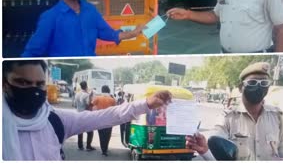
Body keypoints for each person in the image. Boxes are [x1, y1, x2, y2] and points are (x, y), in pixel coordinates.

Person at [2, 60, 172, 160]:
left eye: (39, 84)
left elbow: (105, 116)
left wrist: (146, 104)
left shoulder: (54, 120)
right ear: (4, 84)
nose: (34, 90)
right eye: (23, 83)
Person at [21, 0, 145, 57]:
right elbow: (31, 53)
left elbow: (109, 33)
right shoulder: (50, 17)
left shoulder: (90, 10)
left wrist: (133, 33)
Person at [186, 62, 283, 160]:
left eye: (264, 83)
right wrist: (205, 151)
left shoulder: (276, 116)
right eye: (252, 82)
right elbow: (218, 154)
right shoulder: (227, 118)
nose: (259, 87)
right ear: (240, 87)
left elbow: (281, 152)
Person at [91, 85, 116, 156]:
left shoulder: (97, 98)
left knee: (101, 135)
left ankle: (103, 149)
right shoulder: (112, 99)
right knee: (107, 135)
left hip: (100, 119)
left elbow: (91, 104)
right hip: (109, 120)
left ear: (102, 90)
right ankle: (105, 148)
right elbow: (115, 109)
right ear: (108, 90)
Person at [74, 81, 95, 151]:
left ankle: (80, 146)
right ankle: (88, 146)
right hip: (85, 114)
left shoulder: (77, 94)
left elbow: (74, 104)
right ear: (86, 86)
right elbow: (88, 103)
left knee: (80, 131)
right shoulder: (86, 95)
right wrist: (91, 96)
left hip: (78, 114)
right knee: (90, 131)